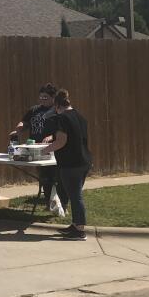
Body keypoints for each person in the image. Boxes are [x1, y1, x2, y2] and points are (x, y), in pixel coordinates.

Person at [44, 88, 91, 240]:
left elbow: (61, 141)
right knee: (74, 194)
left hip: (71, 164)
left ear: (57, 105)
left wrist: (45, 150)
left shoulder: (62, 118)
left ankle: (80, 230)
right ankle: (75, 224)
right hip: (84, 161)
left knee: (75, 195)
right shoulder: (79, 116)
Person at [11, 83, 63, 217]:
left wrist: (52, 136)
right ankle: (49, 203)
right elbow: (25, 122)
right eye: (41, 97)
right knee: (44, 177)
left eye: (45, 97)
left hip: (52, 148)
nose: (42, 100)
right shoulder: (34, 109)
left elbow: (62, 130)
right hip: (35, 148)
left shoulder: (57, 111)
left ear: (53, 98)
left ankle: (60, 203)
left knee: (55, 177)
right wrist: (20, 126)